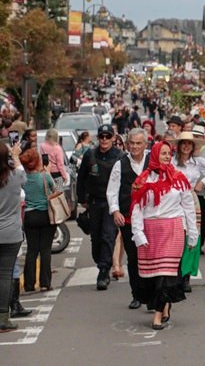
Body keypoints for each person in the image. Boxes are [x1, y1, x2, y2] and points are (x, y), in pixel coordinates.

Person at [130, 141, 198, 330]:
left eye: (169, 153)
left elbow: (188, 207)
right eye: (164, 153)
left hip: (173, 229)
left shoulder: (178, 178)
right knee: (153, 276)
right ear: (155, 155)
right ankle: (164, 305)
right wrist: (138, 233)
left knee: (165, 275)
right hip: (150, 230)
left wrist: (193, 233)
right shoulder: (143, 180)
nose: (168, 156)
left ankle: (157, 315)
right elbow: (136, 208)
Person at [76, 124, 125, 290]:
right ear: (98, 138)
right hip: (95, 201)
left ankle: (104, 270)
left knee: (108, 235)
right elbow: (81, 178)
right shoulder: (90, 154)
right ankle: (101, 261)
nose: (104, 139)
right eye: (101, 136)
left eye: (108, 136)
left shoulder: (120, 156)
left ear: (113, 138)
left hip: (112, 203)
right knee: (96, 238)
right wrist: (82, 198)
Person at [106, 128, 149, 309]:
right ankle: (137, 294)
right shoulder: (120, 164)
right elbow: (112, 190)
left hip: (150, 218)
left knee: (151, 257)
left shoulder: (152, 161)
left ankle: (152, 295)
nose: (135, 147)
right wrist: (115, 211)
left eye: (139, 143)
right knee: (133, 257)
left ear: (145, 145)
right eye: (132, 143)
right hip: (128, 218)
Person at [169, 131, 205, 291]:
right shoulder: (171, 162)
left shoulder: (199, 162)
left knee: (192, 235)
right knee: (176, 235)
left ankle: (187, 275)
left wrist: (201, 183)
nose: (186, 146)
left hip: (191, 198)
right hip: (173, 200)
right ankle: (176, 273)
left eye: (189, 143)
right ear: (179, 146)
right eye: (183, 143)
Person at [20, 149, 56, 292]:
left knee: (32, 250)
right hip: (45, 214)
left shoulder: (23, 178)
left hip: (29, 216)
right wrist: (49, 171)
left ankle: (29, 284)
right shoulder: (44, 177)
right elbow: (58, 187)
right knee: (45, 249)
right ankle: (45, 283)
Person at [0, 143, 26, 331]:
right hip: (11, 233)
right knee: (5, 276)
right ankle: (3, 317)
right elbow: (22, 172)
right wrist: (15, 154)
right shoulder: (15, 176)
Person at [40, 128, 70, 195]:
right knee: (58, 195)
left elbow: (42, 159)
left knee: (48, 194)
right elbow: (60, 165)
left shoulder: (42, 146)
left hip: (46, 172)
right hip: (57, 174)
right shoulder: (58, 148)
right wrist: (65, 176)